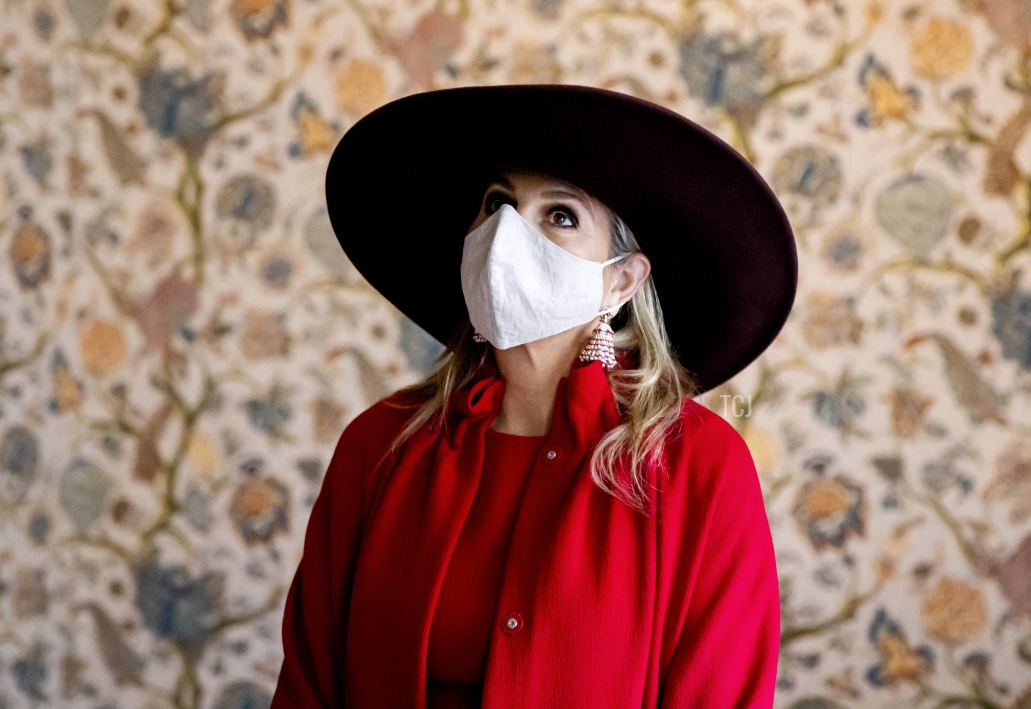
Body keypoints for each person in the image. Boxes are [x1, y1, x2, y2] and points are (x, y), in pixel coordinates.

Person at [270, 84, 798, 708]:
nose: (507, 234)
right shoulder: (380, 445)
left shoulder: (699, 468)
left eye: (561, 215)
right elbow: (309, 686)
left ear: (620, 280)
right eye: (497, 204)